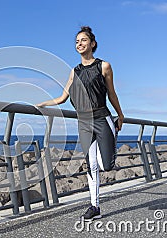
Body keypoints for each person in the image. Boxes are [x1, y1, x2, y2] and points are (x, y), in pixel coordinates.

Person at [36, 26, 124, 221]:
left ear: (92, 44)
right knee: (90, 165)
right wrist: (42, 104)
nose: (79, 44)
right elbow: (62, 97)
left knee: (106, 166)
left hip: (102, 118)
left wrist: (120, 115)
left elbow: (111, 93)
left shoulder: (104, 66)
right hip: (83, 122)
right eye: (77, 41)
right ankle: (95, 206)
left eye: (83, 40)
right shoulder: (74, 71)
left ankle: (111, 140)